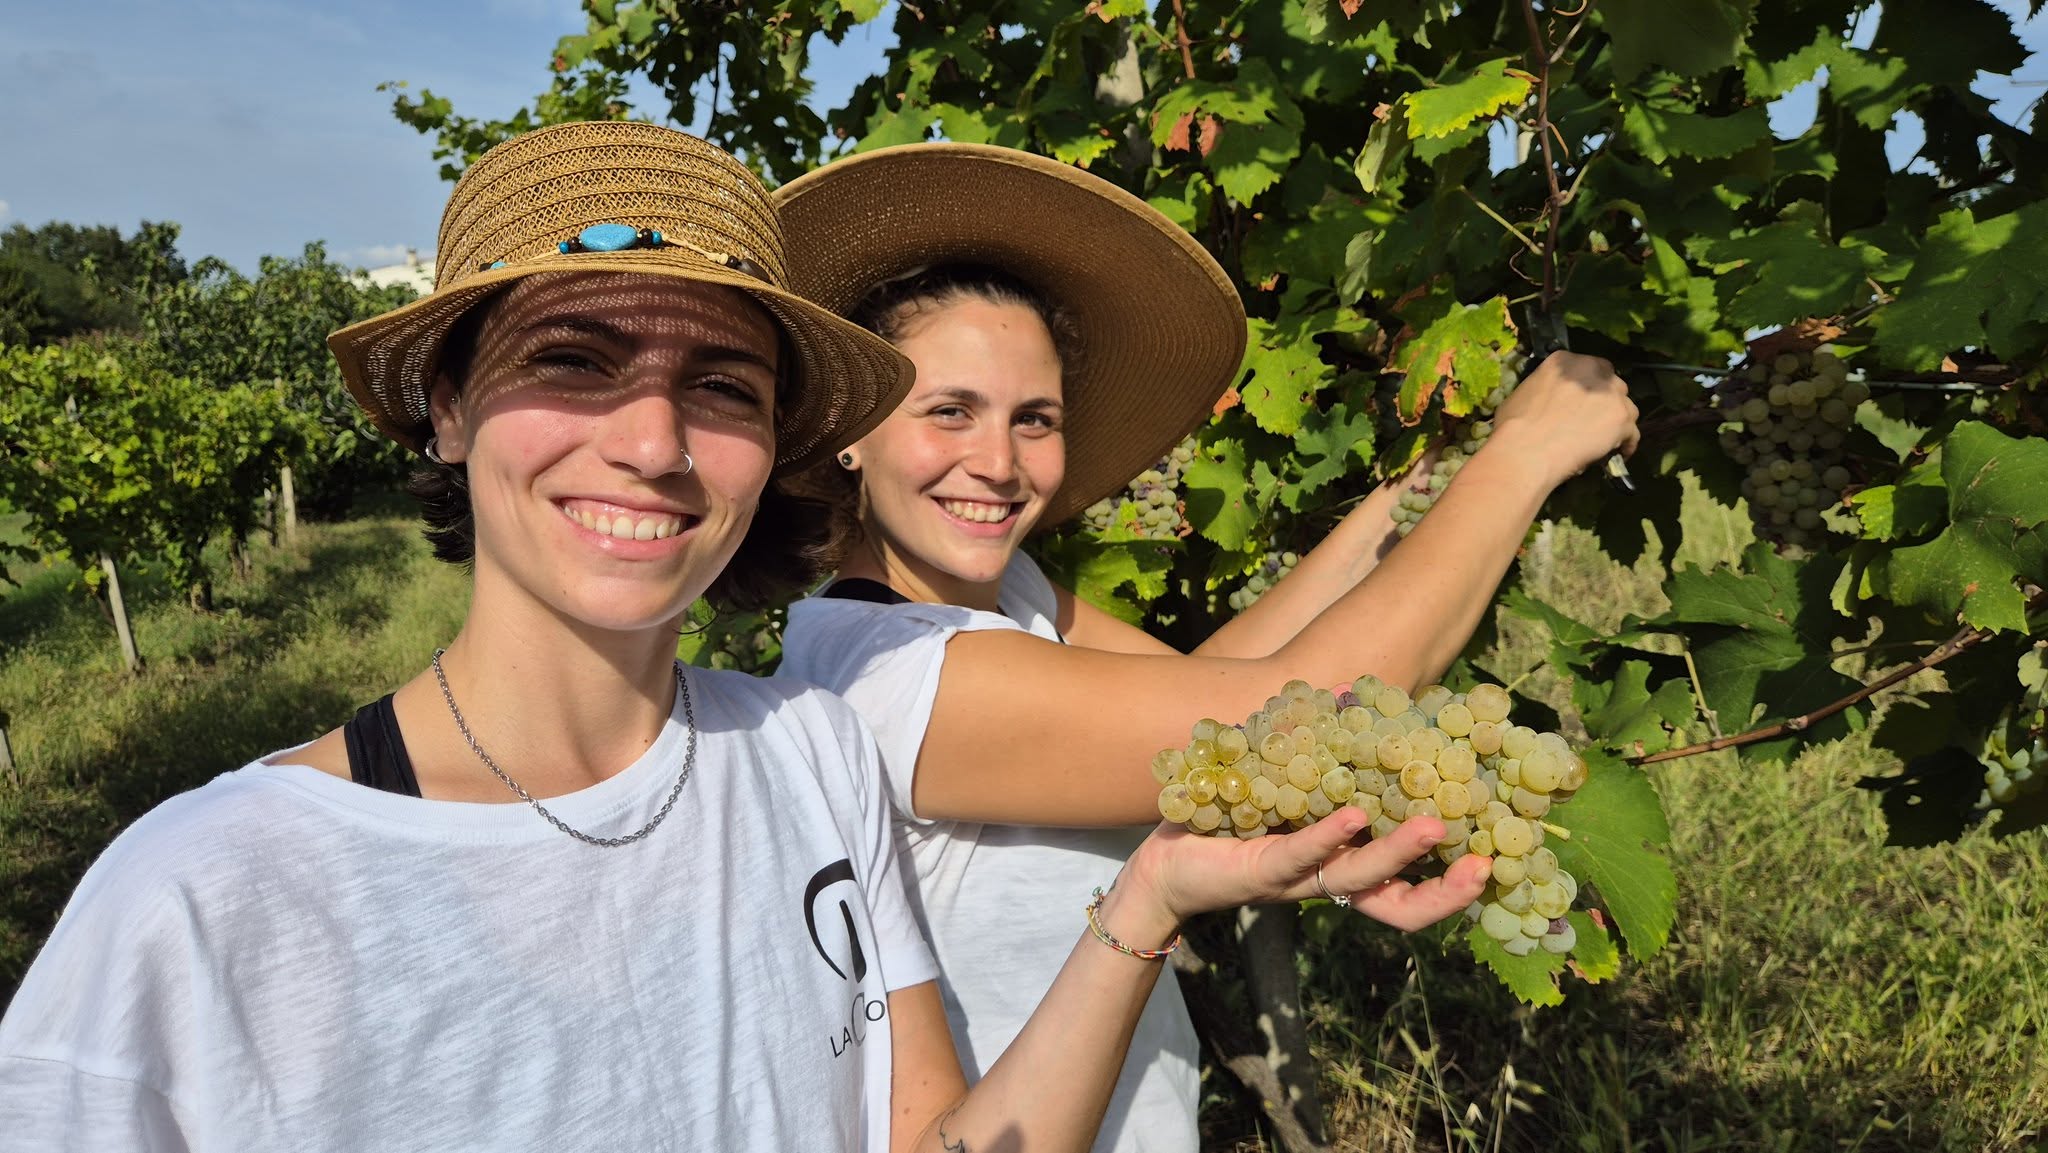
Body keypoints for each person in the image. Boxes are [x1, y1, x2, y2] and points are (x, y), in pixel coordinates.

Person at [0, 123, 1486, 1153]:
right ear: (441, 410)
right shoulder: (203, 901)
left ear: (773, 440)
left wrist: (1152, 895)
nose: (651, 439)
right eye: (570, 358)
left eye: (720, 382)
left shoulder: (806, 764)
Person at [771, 142, 1640, 1151]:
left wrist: (1410, 498)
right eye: (948, 411)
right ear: (853, 430)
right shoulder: (890, 678)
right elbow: (1294, 708)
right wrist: (1519, 457)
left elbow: (1212, 696)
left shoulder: (992, 596)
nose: (998, 463)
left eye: (1034, 418)